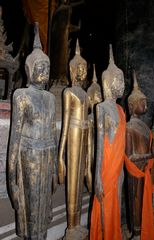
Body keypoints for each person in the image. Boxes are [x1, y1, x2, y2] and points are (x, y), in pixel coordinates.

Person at [7, 23, 57, 240]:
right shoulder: (21, 96)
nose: (44, 71)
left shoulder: (51, 98)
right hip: (29, 158)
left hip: (47, 157)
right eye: (40, 67)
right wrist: (12, 181)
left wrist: (55, 168)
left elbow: (53, 136)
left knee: (44, 210)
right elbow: (14, 141)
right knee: (31, 211)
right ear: (29, 70)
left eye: (47, 67)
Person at [90, 44, 125, 240]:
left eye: (121, 80)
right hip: (105, 171)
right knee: (105, 212)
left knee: (116, 209)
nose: (122, 84)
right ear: (108, 82)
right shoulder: (101, 108)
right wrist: (97, 179)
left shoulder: (121, 111)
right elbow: (99, 146)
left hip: (117, 171)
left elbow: (121, 147)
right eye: (118, 80)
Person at [58, 39, 89, 240]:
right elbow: (66, 123)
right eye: (80, 67)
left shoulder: (85, 94)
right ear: (72, 69)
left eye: (84, 67)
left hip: (84, 135)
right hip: (73, 134)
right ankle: (70, 226)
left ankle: (77, 224)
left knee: (79, 181)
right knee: (73, 180)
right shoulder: (68, 92)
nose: (83, 71)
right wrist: (61, 156)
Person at [124, 70, 154, 240]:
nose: (145, 106)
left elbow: (151, 151)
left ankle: (143, 230)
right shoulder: (129, 128)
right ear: (131, 106)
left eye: (145, 102)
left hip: (145, 171)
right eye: (142, 103)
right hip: (135, 172)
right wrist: (149, 156)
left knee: (144, 204)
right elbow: (129, 157)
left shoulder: (145, 127)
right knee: (135, 204)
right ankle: (136, 233)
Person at [86, 64, 102, 192]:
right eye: (98, 95)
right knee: (90, 162)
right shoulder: (90, 118)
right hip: (91, 147)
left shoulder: (101, 116)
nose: (100, 98)